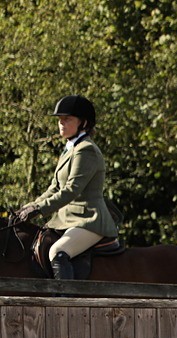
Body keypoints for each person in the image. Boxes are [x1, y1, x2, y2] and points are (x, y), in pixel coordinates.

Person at [16, 95, 119, 280]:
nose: (61, 123)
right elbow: (54, 187)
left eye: (67, 119)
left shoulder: (85, 150)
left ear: (84, 123)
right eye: (60, 120)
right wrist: (30, 206)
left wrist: (40, 209)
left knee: (58, 251)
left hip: (89, 220)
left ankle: (66, 303)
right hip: (67, 219)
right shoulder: (69, 148)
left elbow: (71, 190)